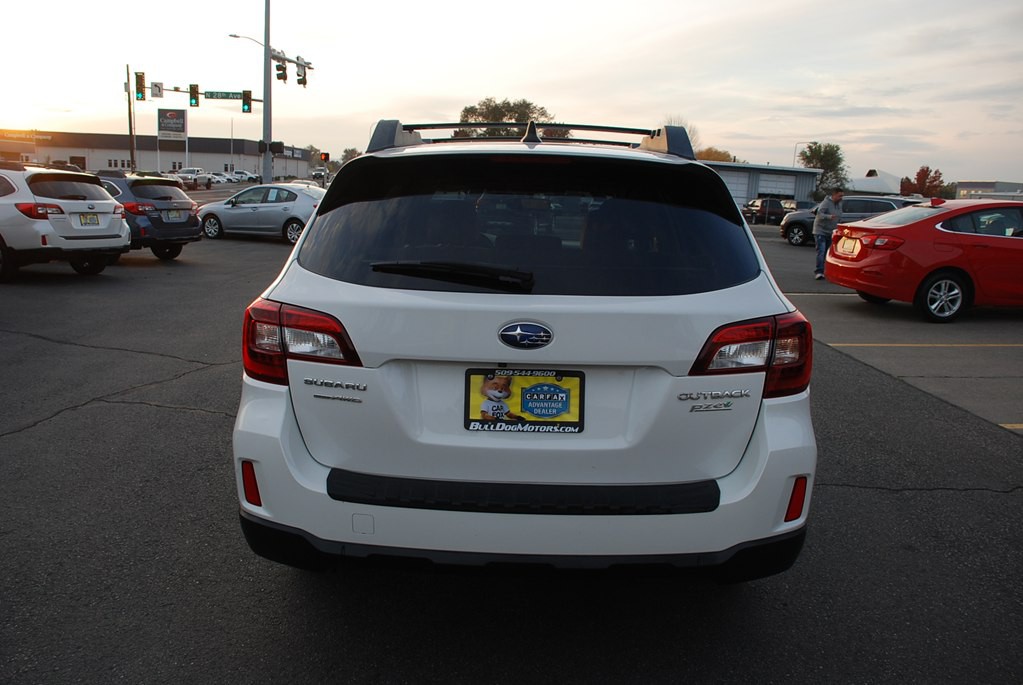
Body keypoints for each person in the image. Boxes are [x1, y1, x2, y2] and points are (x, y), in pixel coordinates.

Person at [813, 188, 844, 279]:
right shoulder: (826, 203)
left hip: (831, 231)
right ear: (834, 195)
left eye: (842, 196)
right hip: (820, 231)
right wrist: (829, 217)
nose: (841, 198)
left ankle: (826, 271)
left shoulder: (839, 204)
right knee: (821, 251)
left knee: (828, 253)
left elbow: (839, 216)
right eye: (839, 196)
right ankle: (819, 271)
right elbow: (819, 214)